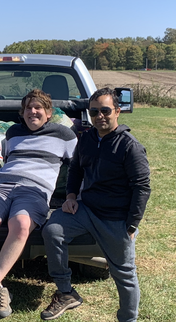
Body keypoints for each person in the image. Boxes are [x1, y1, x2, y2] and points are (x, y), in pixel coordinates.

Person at [41, 87, 151, 321]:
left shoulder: (130, 146)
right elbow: (76, 169)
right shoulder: (88, 139)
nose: (99, 116)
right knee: (52, 230)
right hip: (86, 209)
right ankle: (66, 291)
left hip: (116, 219)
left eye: (105, 110)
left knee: (124, 274)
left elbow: (142, 188)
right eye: (94, 112)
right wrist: (71, 197)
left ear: (117, 111)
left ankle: (128, 318)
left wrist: (131, 225)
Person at [0, 89, 78, 320]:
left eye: (38, 107)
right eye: (28, 108)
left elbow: (79, 168)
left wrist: (72, 196)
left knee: (20, 225)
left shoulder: (64, 135)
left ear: (49, 113)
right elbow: (9, 159)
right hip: (3, 186)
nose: (33, 112)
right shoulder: (13, 132)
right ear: (22, 113)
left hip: (34, 191)